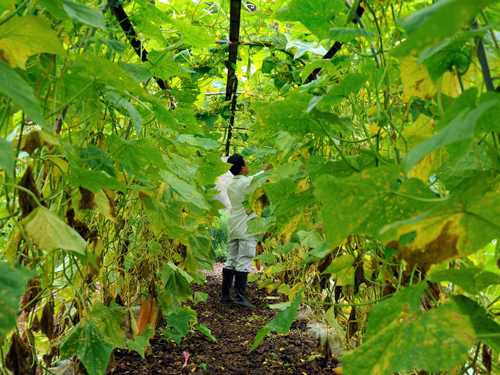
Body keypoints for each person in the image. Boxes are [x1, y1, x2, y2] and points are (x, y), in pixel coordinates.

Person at [220, 154, 273, 308]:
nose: (248, 164)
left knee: (231, 259)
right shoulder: (246, 183)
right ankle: (240, 298)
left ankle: (225, 295)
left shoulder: (232, 185)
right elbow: (264, 173)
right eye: (246, 163)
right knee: (244, 260)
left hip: (234, 227)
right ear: (243, 168)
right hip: (246, 229)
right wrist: (274, 159)